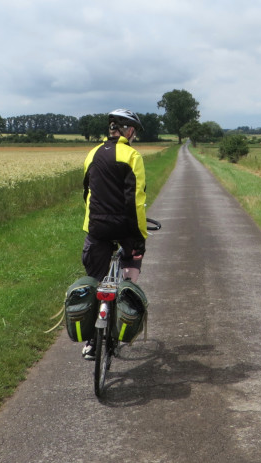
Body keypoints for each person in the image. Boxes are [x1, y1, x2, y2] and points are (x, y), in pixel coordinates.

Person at [80, 108, 148, 359]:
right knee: (130, 267)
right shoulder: (132, 156)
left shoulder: (92, 153)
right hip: (124, 228)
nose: (135, 136)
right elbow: (136, 202)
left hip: (96, 228)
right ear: (128, 130)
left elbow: (88, 193)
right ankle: (124, 312)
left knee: (95, 281)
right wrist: (138, 239)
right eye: (134, 131)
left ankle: (90, 341)